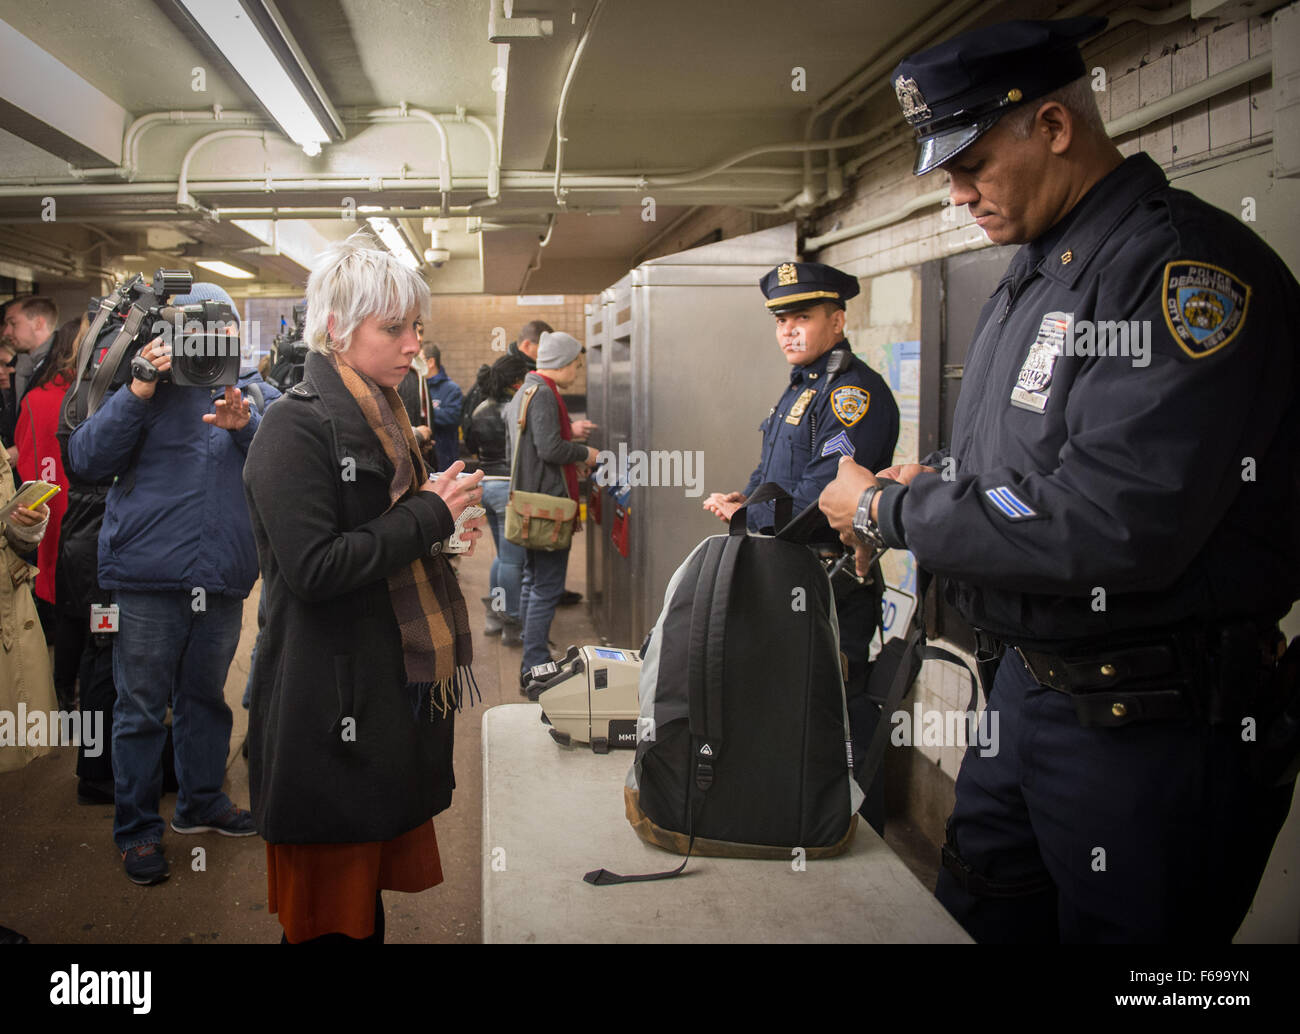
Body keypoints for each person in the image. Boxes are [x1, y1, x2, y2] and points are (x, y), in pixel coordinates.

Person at [818, 16, 1299, 943]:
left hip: (1149, 728)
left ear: (1053, 125)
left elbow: (1115, 520)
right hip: (1030, 697)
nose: (957, 195)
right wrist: (938, 477)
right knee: (981, 914)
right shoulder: (1036, 275)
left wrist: (890, 506)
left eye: (971, 164)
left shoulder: (1180, 270)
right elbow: (1016, 466)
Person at [243, 232, 486, 945]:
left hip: (374, 686)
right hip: (327, 699)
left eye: (417, 327)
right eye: (395, 329)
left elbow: (373, 530)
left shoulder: (382, 413)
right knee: (329, 912)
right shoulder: (295, 427)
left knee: (362, 902)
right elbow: (314, 568)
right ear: (336, 331)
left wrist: (436, 533)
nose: (414, 344)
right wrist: (427, 515)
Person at [68, 282, 263, 886]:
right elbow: (85, 461)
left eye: (225, 326)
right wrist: (138, 389)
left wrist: (244, 428)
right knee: (141, 708)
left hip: (222, 575)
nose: (214, 339)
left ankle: (203, 803)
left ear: (236, 332)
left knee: (206, 699)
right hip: (149, 575)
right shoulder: (144, 384)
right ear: (175, 331)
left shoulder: (253, 391)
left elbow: (283, 470)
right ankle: (137, 830)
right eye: (201, 327)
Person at [703, 261, 899, 825]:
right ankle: (802, 821)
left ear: (837, 321)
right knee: (795, 706)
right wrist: (745, 501)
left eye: (803, 317)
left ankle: (857, 830)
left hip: (830, 579)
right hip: (788, 573)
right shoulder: (803, 386)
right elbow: (776, 473)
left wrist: (754, 512)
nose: (788, 329)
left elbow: (825, 497)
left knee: (839, 709)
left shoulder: (851, 393)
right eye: (781, 319)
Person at [505, 331, 598, 684]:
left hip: (532, 502)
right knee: (546, 586)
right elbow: (549, 448)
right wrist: (585, 453)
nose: (577, 371)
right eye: (576, 364)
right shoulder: (544, 393)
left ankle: (533, 655)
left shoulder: (527, 391)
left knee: (533, 581)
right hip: (548, 508)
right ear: (562, 364)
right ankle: (535, 667)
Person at [15, 316, 84, 709]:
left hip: (53, 526)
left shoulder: (38, 397)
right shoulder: (98, 396)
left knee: (67, 610)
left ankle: (61, 691)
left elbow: (26, 469)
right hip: (76, 526)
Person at [468, 351, 530, 645]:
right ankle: (513, 623)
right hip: (509, 488)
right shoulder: (518, 409)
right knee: (513, 561)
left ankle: (494, 616)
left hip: (488, 487)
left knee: (503, 557)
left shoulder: (480, 409)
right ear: (517, 382)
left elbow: (470, 444)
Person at [3, 296, 58, 468]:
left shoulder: (64, 366)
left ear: (38, 323)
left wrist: (24, 448)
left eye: (13, 324)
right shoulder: (20, 367)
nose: (6, 332)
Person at [423, 344, 463, 470]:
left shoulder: (451, 389)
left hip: (444, 460)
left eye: (418, 359)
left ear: (430, 362)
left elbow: (452, 418)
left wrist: (426, 411)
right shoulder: (418, 388)